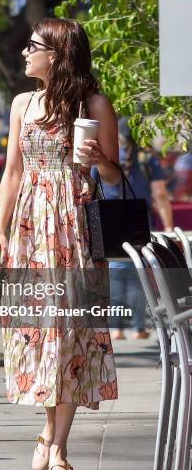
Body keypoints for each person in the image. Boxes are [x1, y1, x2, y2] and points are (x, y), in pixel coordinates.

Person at [0, 17, 120, 470]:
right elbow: (12, 173)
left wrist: (98, 160)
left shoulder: (95, 104)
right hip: (30, 228)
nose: (25, 52)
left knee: (70, 335)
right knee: (40, 333)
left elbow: (116, 177)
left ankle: (59, 447)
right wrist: (0, 231)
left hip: (75, 228)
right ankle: (48, 432)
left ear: (57, 55)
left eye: (33, 46)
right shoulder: (23, 103)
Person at [100, 117, 173, 340]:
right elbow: (160, 194)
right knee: (140, 277)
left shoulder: (105, 157)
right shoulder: (148, 159)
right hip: (139, 222)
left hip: (110, 223)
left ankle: (116, 327)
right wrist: (168, 225)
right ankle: (140, 327)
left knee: (115, 277)